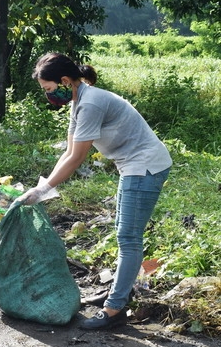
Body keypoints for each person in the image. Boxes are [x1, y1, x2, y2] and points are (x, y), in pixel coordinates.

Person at [17, 52, 172, 330]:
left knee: (128, 238)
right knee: (125, 234)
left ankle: (114, 310)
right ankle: (119, 293)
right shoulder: (79, 102)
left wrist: (43, 191)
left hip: (145, 166)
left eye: (49, 89)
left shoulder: (91, 104)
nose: (49, 95)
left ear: (65, 81)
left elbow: (77, 159)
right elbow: (68, 152)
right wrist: (41, 188)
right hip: (132, 166)